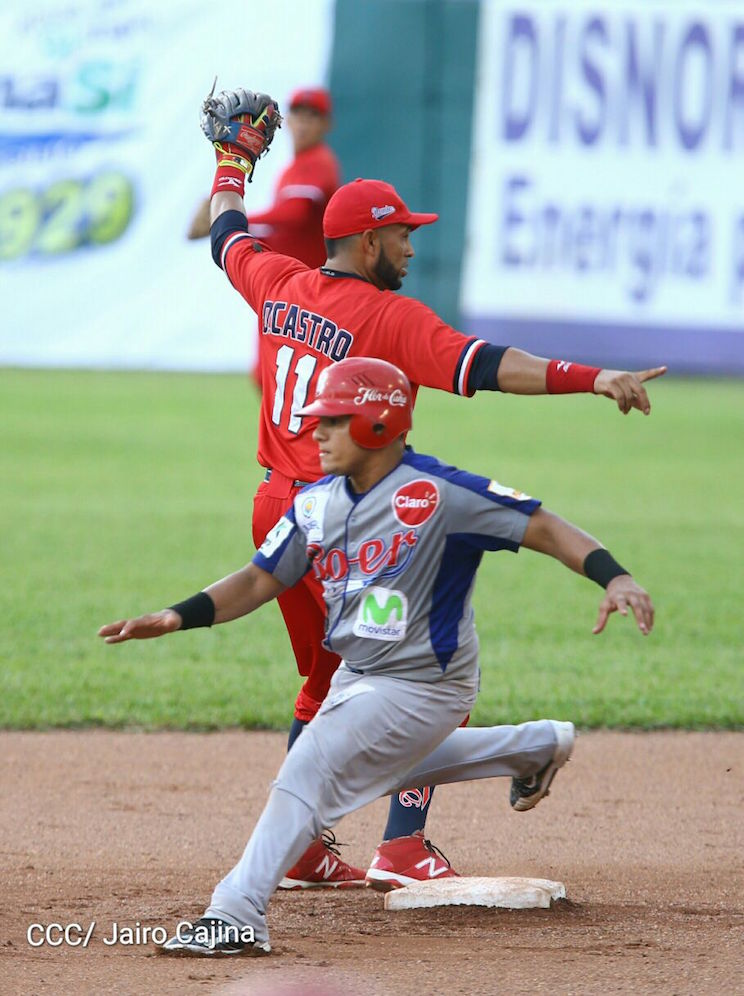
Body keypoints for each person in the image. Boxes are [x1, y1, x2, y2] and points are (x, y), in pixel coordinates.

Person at [196, 88, 666, 891]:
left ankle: (305, 847)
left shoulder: (276, 281)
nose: (411, 246)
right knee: (421, 676)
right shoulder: (390, 319)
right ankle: (403, 844)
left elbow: (226, 234)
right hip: (348, 519)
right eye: (403, 233)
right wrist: (596, 378)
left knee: (326, 681)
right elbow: (491, 366)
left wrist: (231, 160)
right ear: (368, 236)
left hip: (277, 511)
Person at [98, 357, 655, 956]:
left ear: (379, 424)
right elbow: (261, 579)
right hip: (360, 673)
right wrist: (180, 614)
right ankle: (535, 746)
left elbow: (543, 527)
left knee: (311, 764)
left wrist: (615, 578)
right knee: (377, 771)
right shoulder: (316, 503)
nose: (316, 432)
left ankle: (235, 912)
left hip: (427, 682)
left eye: (333, 421)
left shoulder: (443, 493)